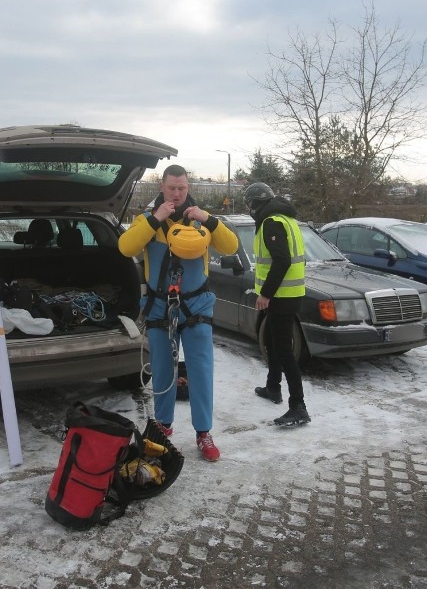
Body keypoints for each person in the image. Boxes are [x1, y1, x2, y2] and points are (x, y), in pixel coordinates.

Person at [118, 164, 238, 461]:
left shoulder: (200, 220)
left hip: (196, 305)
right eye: (171, 187)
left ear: (188, 187)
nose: (176, 193)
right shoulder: (147, 220)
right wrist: (153, 219)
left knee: (200, 370)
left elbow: (230, 245)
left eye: (182, 188)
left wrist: (208, 220)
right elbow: (125, 246)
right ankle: (163, 427)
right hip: (160, 306)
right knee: (162, 370)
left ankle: (203, 432)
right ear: (162, 186)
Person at [243, 182, 310, 427]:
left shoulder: (272, 222)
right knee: (271, 340)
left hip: (281, 296)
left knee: (283, 350)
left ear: (257, 203)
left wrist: (266, 294)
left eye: (250, 204)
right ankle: (273, 387)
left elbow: (281, 261)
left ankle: (298, 406)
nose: (250, 209)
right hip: (287, 294)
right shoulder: (285, 219)